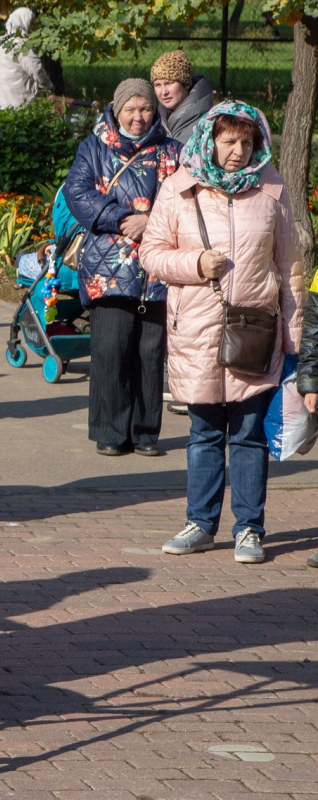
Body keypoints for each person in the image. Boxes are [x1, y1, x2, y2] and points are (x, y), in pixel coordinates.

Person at [141, 103, 300, 565]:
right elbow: (151, 253)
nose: (238, 152)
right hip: (197, 330)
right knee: (204, 431)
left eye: (247, 142)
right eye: (229, 141)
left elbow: (289, 268)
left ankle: (249, 529)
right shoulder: (179, 187)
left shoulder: (272, 189)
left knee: (249, 434)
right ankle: (200, 524)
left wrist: (294, 342)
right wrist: (193, 264)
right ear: (210, 141)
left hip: (255, 331)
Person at [64, 78, 180, 456]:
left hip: (157, 267)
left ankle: (145, 432)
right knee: (110, 350)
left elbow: (189, 199)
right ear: (116, 110)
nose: (138, 116)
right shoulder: (93, 148)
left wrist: (151, 222)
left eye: (145, 109)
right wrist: (121, 218)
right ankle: (110, 432)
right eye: (130, 109)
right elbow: (77, 193)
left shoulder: (173, 151)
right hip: (107, 266)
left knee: (149, 353)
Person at [0, 7, 50, 111]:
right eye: (31, 24)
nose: (31, 29)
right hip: (13, 102)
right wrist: (48, 85)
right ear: (24, 22)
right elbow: (34, 68)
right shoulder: (19, 43)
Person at [151, 50, 215, 144]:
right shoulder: (153, 120)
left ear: (186, 84)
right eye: (157, 85)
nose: (164, 92)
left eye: (169, 83)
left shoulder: (210, 121)